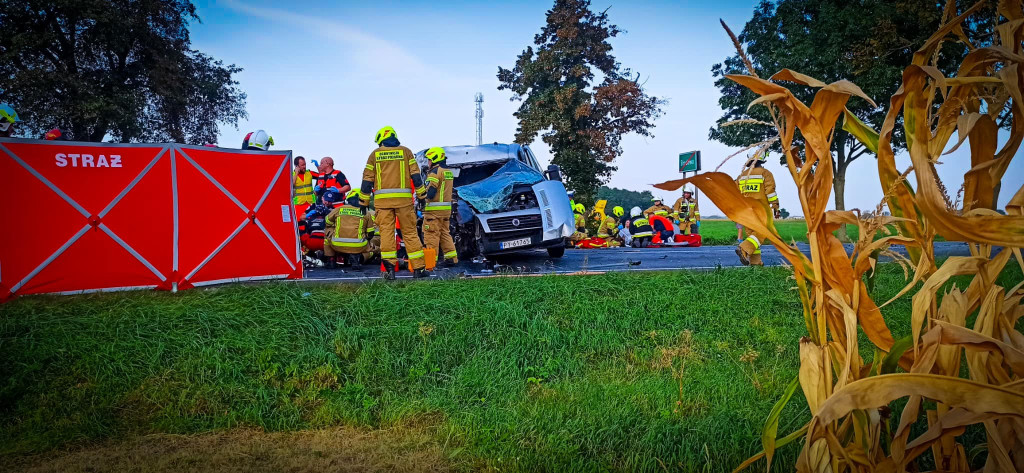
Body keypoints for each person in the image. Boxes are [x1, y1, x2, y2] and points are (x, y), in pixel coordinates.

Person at [358, 126, 429, 279]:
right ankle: (418, 269)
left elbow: (367, 180)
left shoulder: (374, 155)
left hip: (382, 204)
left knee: (386, 235)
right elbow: (416, 176)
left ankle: (389, 270)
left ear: (380, 140)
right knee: (410, 233)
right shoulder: (406, 152)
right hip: (404, 202)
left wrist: (363, 202)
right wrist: (422, 196)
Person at [734, 153, 780, 266]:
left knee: (753, 236)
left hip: (746, 211)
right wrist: (775, 206)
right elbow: (770, 192)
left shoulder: (742, 176)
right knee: (763, 232)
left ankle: (755, 263)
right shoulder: (765, 173)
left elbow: (736, 193)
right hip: (761, 210)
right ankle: (744, 248)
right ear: (762, 160)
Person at [420, 147, 458, 267]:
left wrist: (422, 197)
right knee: (445, 234)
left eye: (429, 160)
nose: (428, 163)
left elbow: (430, 193)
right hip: (446, 211)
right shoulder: (448, 172)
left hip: (433, 212)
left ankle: (431, 262)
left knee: (431, 235)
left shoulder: (435, 172)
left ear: (435, 159)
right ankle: (451, 258)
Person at [323, 195, 374, 269]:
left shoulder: (339, 209)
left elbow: (327, 222)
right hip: (359, 246)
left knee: (328, 230)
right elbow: (370, 233)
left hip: (337, 244)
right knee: (367, 238)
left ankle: (331, 260)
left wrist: (335, 225)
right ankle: (355, 257)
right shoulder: (365, 212)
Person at [301, 189, 339, 265]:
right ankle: (303, 254)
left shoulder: (334, 209)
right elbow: (301, 217)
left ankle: (330, 257)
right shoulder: (313, 206)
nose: (328, 203)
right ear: (322, 198)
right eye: (326, 201)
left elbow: (339, 222)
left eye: (330, 201)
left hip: (325, 236)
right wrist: (310, 214)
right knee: (301, 229)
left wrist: (328, 212)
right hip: (312, 233)